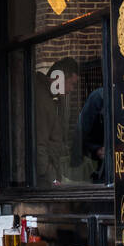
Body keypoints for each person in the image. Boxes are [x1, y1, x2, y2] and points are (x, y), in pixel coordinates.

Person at [34, 56, 79, 186]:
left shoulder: (50, 98)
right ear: (58, 77)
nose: (71, 89)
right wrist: (52, 179)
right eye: (72, 83)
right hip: (45, 179)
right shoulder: (43, 100)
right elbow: (39, 144)